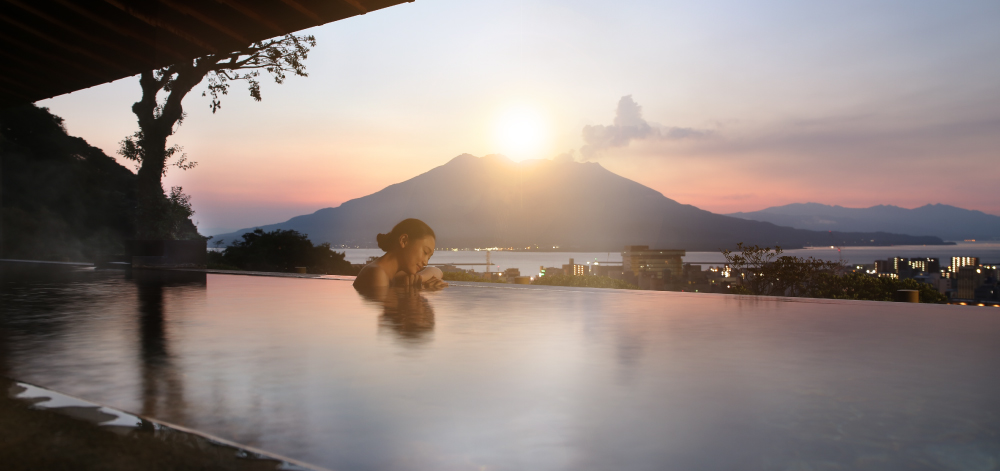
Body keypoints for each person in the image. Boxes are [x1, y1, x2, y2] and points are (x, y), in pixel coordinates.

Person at [353, 218, 448, 292]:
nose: (425, 262)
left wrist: (420, 278)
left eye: (429, 257)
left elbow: (437, 272)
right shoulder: (377, 273)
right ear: (404, 241)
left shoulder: (392, 273)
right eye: (425, 252)